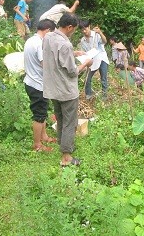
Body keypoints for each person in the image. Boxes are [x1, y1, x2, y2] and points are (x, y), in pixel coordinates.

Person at [42, 12, 92, 167]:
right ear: (69, 27)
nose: (73, 33)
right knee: (70, 121)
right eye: (74, 30)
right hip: (66, 90)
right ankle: (66, 157)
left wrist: (74, 53)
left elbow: (55, 57)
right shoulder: (65, 44)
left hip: (53, 88)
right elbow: (72, 71)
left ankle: (64, 146)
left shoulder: (48, 37)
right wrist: (86, 64)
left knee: (61, 118)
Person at [23, 19, 57, 152]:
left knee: (42, 112)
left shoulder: (30, 40)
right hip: (37, 84)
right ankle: (37, 145)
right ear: (47, 31)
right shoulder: (39, 44)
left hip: (32, 81)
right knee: (39, 115)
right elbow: (45, 64)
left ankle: (44, 136)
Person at [79, 20, 109, 100]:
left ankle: (104, 96)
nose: (84, 31)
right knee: (87, 78)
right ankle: (88, 95)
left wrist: (100, 32)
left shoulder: (96, 34)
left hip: (102, 58)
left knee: (103, 78)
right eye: (82, 30)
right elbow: (84, 53)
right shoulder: (82, 40)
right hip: (91, 60)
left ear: (89, 27)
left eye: (85, 29)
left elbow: (105, 41)